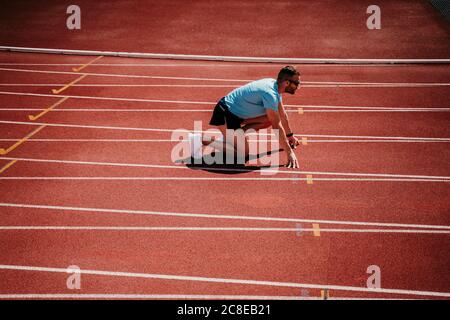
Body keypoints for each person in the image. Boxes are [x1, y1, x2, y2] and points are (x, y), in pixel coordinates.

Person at [191, 65, 301, 168]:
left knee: (270, 119)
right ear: (287, 83)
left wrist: (290, 136)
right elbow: (277, 126)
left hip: (236, 116)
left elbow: (282, 115)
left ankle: (230, 138)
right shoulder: (270, 94)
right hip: (225, 114)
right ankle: (201, 139)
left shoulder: (275, 87)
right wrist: (289, 152)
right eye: (297, 83)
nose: (298, 86)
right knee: (242, 153)